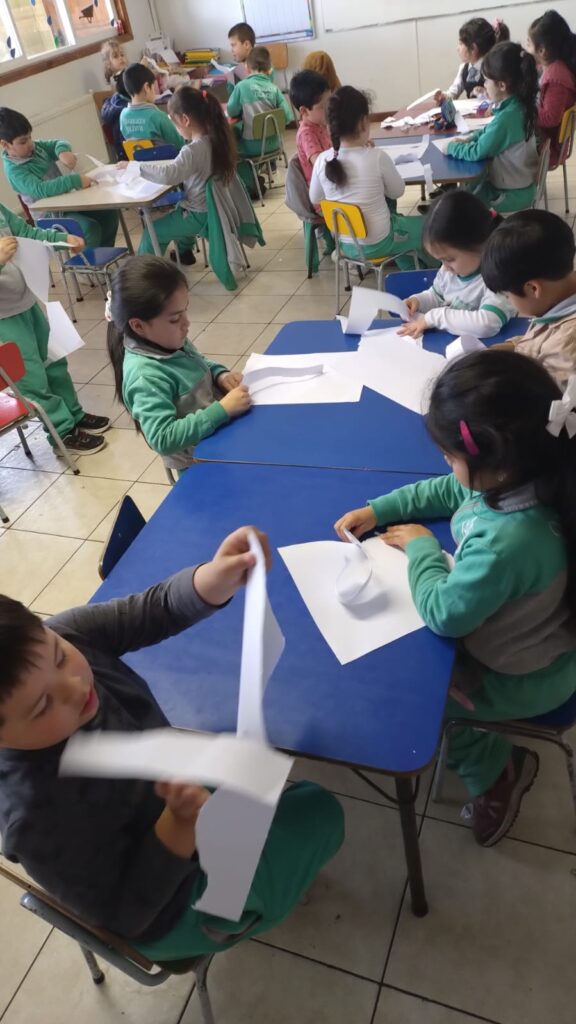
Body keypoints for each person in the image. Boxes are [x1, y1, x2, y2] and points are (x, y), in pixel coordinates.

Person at [0, 525, 345, 957]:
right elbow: (126, 916)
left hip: (179, 793)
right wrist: (180, 823)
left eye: (59, 656)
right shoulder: (35, 818)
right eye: (41, 706)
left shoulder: (65, 638)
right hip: (175, 905)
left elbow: (152, 610)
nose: (75, 685)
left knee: (278, 790)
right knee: (323, 814)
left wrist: (214, 579)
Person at [335, 348, 576, 847]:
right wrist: (381, 509)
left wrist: (422, 548)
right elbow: (453, 490)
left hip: (523, 677)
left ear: (492, 461)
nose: (445, 463)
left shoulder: (508, 542)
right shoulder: (531, 471)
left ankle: (498, 774)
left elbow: (445, 615)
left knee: (426, 702)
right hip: (543, 642)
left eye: (449, 455)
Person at [106, 256, 251, 473]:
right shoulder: (144, 376)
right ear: (138, 326)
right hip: (199, 465)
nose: (186, 323)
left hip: (219, 439)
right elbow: (163, 438)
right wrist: (221, 410)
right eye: (175, 319)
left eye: (185, 311)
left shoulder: (165, 339)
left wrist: (219, 374)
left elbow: (196, 361)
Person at [0, 205, 109, 454]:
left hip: (27, 303)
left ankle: (73, 414)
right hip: (4, 320)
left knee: (54, 363)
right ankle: (62, 432)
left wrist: (62, 239)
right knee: (31, 378)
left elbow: (27, 235)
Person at [309, 86, 432, 272]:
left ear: (330, 126)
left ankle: (411, 270)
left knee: (400, 226)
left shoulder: (322, 160)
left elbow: (315, 197)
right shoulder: (376, 157)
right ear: (363, 122)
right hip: (381, 242)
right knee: (429, 225)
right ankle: (433, 274)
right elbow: (397, 191)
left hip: (346, 246)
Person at [127, 85, 235, 265]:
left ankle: (143, 273)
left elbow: (169, 175)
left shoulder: (192, 150)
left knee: (152, 232)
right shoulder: (218, 139)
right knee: (180, 207)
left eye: (173, 122)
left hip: (199, 213)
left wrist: (136, 167)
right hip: (217, 207)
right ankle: (184, 252)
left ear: (185, 120)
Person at [398, 191, 515, 339]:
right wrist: (418, 301)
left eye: (449, 259)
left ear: (482, 245)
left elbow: (488, 324)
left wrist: (435, 317)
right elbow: (437, 296)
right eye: (441, 260)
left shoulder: (498, 278)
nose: (445, 267)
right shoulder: (449, 271)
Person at [481, 208, 576, 384]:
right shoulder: (556, 301)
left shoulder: (565, 348)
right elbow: (540, 340)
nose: (509, 301)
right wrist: (509, 347)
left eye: (507, 296)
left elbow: (550, 397)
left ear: (533, 288)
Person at [0, 107, 119, 249]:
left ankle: (105, 254)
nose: (30, 143)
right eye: (23, 142)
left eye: (30, 137)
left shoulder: (36, 148)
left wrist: (62, 152)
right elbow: (41, 189)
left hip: (69, 204)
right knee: (89, 228)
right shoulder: (14, 170)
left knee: (109, 212)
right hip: (50, 216)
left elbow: (58, 143)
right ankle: (91, 262)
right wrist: (74, 180)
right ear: (5, 144)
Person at [445, 42, 539, 212]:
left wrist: (451, 147)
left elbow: (477, 152)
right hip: (519, 185)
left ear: (502, 85)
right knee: (468, 189)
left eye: (487, 80)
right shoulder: (517, 105)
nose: (484, 85)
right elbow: (489, 131)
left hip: (511, 194)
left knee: (461, 205)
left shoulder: (507, 118)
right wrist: (471, 138)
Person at [227, 46, 293, 195]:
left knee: (232, 147)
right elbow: (288, 116)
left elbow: (231, 110)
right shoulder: (274, 89)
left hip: (251, 147)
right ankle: (259, 177)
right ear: (269, 69)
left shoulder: (241, 87)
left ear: (247, 68)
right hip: (274, 144)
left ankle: (250, 184)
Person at [528, 9, 576, 166]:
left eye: (529, 43)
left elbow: (550, 118)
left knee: (502, 150)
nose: (527, 48)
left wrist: (525, 112)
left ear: (542, 51)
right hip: (546, 139)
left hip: (548, 147)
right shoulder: (552, 66)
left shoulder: (556, 78)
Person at [119, 63, 183, 152]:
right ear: (146, 87)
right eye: (153, 87)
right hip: (165, 159)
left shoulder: (123, 116)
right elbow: (180, 144)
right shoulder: (157, 116)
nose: (154, 91)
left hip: (139, 160)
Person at [445, 17, 510, 99]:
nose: (457, 48)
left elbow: (500, 97)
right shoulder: (463, 68)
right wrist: (444, 96)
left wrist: (484, 93)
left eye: (461, 44)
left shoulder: (491, 69)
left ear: (473, 48)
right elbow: (453, 92)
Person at [290, 70, 331, 187]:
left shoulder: (321, 124)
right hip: (323, 192)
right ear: (304, 111)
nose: (329, 109)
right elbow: (321, 165)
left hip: (332, 184)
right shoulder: (306, 134)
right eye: (323, 107)